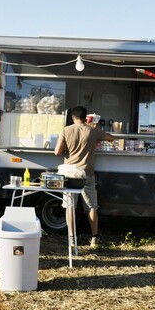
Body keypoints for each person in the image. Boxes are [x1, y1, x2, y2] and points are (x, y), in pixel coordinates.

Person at [54, 106, 114, 247]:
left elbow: (57, 152)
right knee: (92, 207)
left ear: (73, 117)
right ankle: (94, 238)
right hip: (86, 174)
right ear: (85, 117)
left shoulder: (66, 130)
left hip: (69, 175)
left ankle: (72, 239)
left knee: (70, 206)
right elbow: (111, 138)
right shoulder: (93, 131)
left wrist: (66, 149)